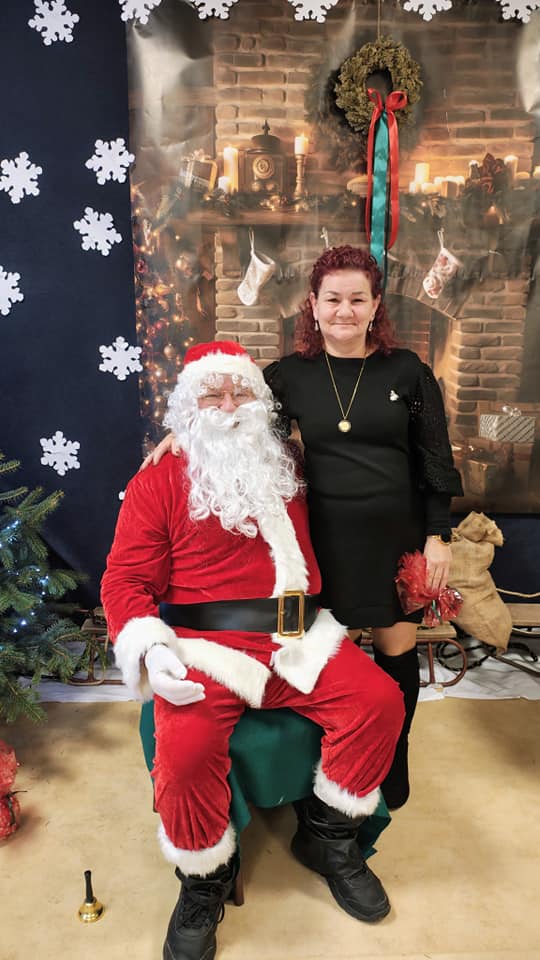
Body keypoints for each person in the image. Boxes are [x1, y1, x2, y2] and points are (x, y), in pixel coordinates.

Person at [102, 339, 405, 960]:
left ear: (260, 402)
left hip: (298, 637)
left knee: (379, 701)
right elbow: (125, 578)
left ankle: (328, 840)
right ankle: (203, 881)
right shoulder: (159, 478)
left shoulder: (288, 460)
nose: (227, 405)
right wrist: (150, 648)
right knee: (185, 751)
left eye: (239, 391)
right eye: (211, 394)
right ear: (187, 408)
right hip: (207, 647)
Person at [144, 246, 464, 812]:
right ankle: (328, 764)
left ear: (375, 306)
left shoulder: (408, 371)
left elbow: (435, 458)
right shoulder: (288, 376)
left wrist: (438, 536)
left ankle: (393, 757)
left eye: (357, 299)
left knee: (395, 654)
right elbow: (234, 416)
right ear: (313, 306)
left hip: (395, 540)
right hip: (323, 543)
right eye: (333, 299)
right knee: (333, 659)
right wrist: (183, 434)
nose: (345, 310)